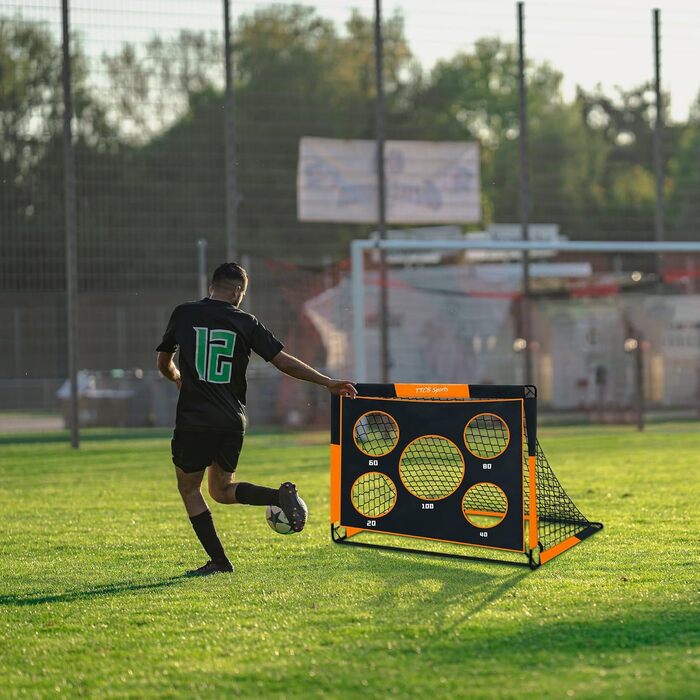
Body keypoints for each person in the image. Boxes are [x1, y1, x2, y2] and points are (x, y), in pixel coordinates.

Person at [156, 261, 356, 576]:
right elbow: (284, 363)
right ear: (237, 291)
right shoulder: (246, 322)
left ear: (212, 285)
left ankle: (220, 562)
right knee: (221, 490)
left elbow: (164, 363)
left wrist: (178, 376)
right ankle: (278, 496)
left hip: (195, 419)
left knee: (190, 489)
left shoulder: (184, 313)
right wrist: (327, 382)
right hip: (233, 419)